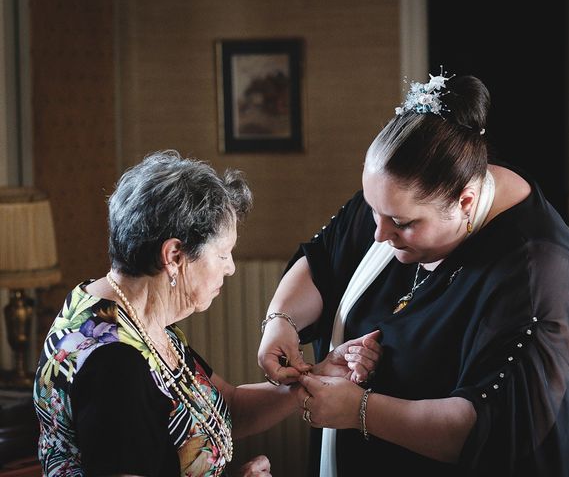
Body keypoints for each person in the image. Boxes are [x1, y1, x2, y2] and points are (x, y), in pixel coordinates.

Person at [257, 71, 569, 476]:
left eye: (401, 222)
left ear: (465, 201)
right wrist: (281, 322)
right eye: (372, 210)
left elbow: (488, 430)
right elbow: (324, 261)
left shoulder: (537, 279)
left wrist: (360, 410)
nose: (379, 233)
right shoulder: (398, 194)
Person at [32, 150, 382, 476]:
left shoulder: (128, 314)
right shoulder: (116, 364)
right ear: (173, 256)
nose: (230, 268)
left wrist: (313, 377)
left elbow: (224, 407)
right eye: (222, 253)